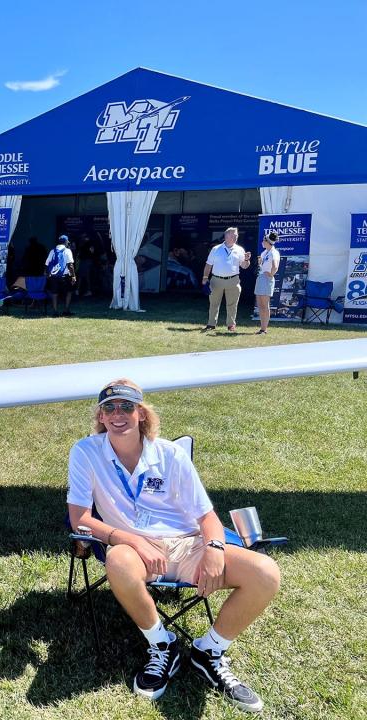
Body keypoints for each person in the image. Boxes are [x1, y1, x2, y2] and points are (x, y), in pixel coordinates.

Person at [67, 379, 280, 713]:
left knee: (266, 572)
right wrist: (132, 539)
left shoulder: (170, 454)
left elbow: (207, 516)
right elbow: (80, 518)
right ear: (101, 416)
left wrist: (213, 549)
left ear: (141, 413)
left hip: (185, 545)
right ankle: (162, 646)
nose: (118, 414)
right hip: (135, 551)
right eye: (109, 408)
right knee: (119, 561)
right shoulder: (85, 452)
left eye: (127, 407)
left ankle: (208, 650)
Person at [202, 227, 252, 333]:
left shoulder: (240, 249)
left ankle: (231, 325)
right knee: (214, 303)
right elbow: (208, 265)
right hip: (216, 279)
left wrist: (247, 260)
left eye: (236, 235)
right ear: (226, 236)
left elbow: (244, 266)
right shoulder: (216, 249)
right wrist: (205, 278)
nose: (236, 236)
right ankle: (211, 324)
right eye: (233, 234)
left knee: (232, 304)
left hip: (233, 280)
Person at [254, 232, 280, 335]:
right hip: (260, 277)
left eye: (264, 240)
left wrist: (271, 274)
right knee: (260, 304)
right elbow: (262, 264)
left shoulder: (274, 252)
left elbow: (275, 266)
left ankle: (264, 329)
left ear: (267, 242)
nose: (262, 242)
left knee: (265, 305)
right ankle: (262, 328)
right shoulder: (264, 252)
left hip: (267, 278)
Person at [46, 234, 76, 316]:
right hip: (65, 276)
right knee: (69, 292)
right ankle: (66, 310)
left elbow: (47, 263)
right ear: (66, 242)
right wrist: (73, 276)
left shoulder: (53, 250)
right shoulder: (67, 251)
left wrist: (48, 274)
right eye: (67, 241)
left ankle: (55, 312)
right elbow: (70, 265)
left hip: (54, 276)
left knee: (54, 293)